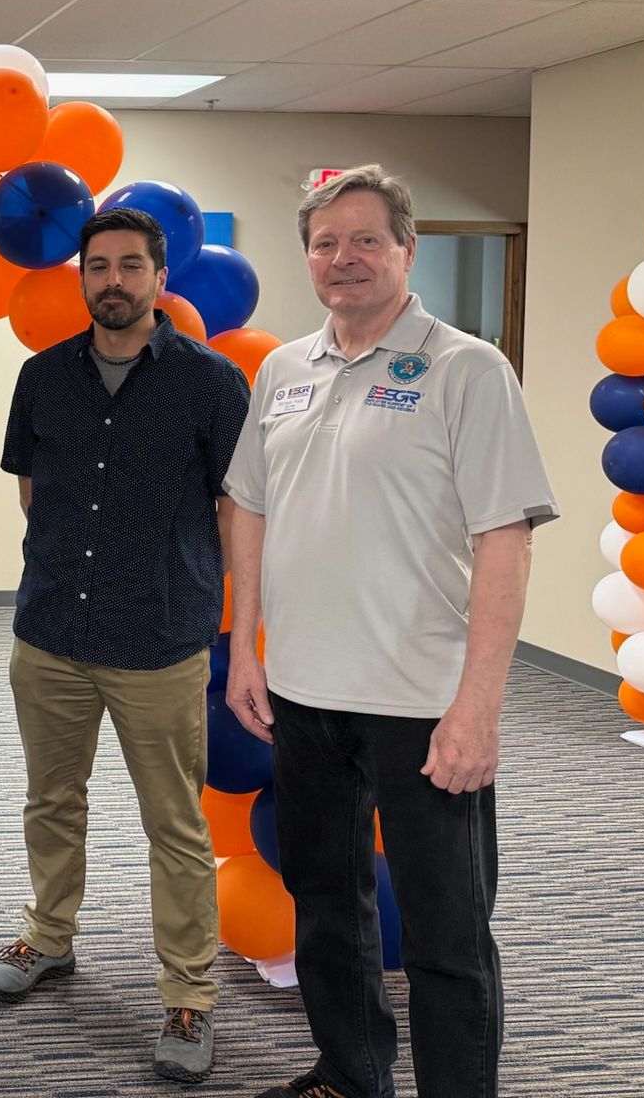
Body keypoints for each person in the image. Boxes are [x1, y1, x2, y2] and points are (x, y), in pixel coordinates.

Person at [222, 165, 557, 1098]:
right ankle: (350, 1071)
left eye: (366, 240)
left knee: (448, 932)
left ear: (407, 250)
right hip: (302, 692)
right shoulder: (284, 371)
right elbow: (247, 506)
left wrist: (479, 707)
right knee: (327, 906)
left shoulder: (467, 370)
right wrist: (247, 643)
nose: (344, 259)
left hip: (422, 700)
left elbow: (505, 540)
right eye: (326, 243)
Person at [0, 206, 250, 1085]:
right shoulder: (42, 376)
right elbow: (34, 490)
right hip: (53, 629)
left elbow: (231, 510)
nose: (114, 282)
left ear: (159, 278)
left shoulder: (211, 384)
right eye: (99, 266)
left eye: (131, 266)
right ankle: (48, 938)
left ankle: (189, 995)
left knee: (173, 826)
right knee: (50, 803)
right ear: (82, 277)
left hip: (159, 639)